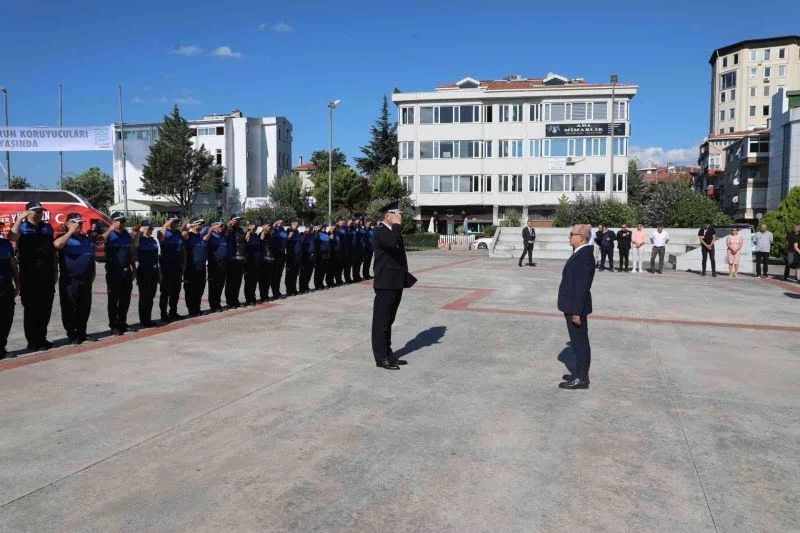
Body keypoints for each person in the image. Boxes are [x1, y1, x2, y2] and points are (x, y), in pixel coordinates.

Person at [7, 201, 57, 351]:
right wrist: (20, 218)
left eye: (40, 211)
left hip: (47, 273)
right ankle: (33, 341)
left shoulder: (47, 227)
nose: (39, 213)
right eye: (35, 211)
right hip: (30, 274)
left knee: (45, 307)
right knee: (31, 308)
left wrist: (55, 270)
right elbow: (12, 237)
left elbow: (52, 251)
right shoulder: (22, 227)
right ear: (28, 212)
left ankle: (42, 338)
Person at [371, 202, 413, 370]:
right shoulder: (380, 231)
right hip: (385, 283)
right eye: (395, 213)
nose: (399, 216)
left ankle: (388, 354)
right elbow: (391, 243)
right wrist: (396, 225)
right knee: (381, 321)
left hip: (395, 281)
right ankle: (381, 358)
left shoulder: (392, 231)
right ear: (386, 216)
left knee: (389, 320)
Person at [557, 224, 596, 390]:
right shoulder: (580, 253)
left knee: (580, 344)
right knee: (577, 342)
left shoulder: (584, 256)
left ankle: (582, 379)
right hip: (573, 305)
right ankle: (579, 373)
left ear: (581, 237)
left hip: (576, 308)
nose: (569, 236)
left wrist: (576, 312)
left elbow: (582, 287)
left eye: (571, 233)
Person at [54, 213, 96, 344]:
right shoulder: (63, 238)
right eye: (75, 222)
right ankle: (72, 334)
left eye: (81, 222)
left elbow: (91, 258)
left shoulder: (85, 239)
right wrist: (70, 231)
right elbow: (57, 245)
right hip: (70, 280)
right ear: (67, 223)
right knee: (69, 307)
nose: (79, 225)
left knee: (84, 307)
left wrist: (93, 273)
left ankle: (82, 333)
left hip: (86, 279)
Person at [102, 212, 135, 335]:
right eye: (119, 221)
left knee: (125, 299)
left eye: (123, 221)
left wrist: (134, 270)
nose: (121, 223)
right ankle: (113, 325)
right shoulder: (109, 234)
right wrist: (110, 229)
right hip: (113, 272)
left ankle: (122, 323)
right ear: (113, 221)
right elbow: (100, 241)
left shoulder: (126, 234)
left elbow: (130, 253)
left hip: (126, 271)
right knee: (113, 299)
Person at [133, 219, 160, 327]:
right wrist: (139, 232)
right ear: (143, 228)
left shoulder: (153, 240)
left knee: (151, 296)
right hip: (144, 271)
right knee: (144, 296)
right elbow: (135, 244)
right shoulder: (140, 240)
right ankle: (143, 320)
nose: (151, 230)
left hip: (154, 270)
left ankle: (148, 318)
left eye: (152, 228)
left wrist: (159, 273)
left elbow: (156, 258)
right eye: (149, 228)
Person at [182, 219, 211, 316]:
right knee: (190, 290)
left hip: (201, 268)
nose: (200, 227)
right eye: (198, 224)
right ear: (193, 225)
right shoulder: (188, 236)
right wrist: (187, 224)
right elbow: (183, 232)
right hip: (191, 268)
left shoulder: (200, 237)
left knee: (200, 289)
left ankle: (197, 308)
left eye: (201, 225)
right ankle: (192, 310)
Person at [158, 217, 185, 321]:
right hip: (166, 267)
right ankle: (163, 314)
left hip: (177, 266)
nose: (176, 223)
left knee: (176, 291)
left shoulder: (178, 233)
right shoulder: (163, 232)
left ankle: (173, 312)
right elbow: (161, 238)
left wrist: (183, 263)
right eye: (174, 222)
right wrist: (165, 225)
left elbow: (182, 249)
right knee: (165, 292)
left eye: (177, 222)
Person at [0, 234, 20, 359]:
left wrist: (17, 284)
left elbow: (13, 265)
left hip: (6, 286)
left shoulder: (5, 243)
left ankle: (1, 349)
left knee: (6, 318)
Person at [206, 221, 228, 312]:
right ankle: (213, 305)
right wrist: (212, 229)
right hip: (214, 264)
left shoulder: (223, 236)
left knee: (220, 284)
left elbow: (227, 228)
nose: (221, 227)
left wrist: (224, 226)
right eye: (220, 226)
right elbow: (205, 238)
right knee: (213, 285)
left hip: (223, 263)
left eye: (222, 226)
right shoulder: (211, 235)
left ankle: (217, 303)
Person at [225, 214, 246, 308]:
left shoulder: (240, 230)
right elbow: (224, 233)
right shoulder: (228, 230)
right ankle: (230, 301)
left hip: (240, 259)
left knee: (238, 281)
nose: (238, 222)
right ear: (230, 220)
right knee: (230, 281)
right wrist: (228, 225)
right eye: (236, 220)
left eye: (239, 220)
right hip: (231, 260)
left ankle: (235, 299)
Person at [243, 221, 261, 305]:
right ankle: (248, 299)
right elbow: (245, 242)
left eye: (257, 226)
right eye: (254, 225)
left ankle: (252, 297)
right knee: (248, 281)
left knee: (254, 281)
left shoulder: (256, 236)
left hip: (256, 261)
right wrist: (249, 231)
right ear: (249, 226)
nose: (256, 227)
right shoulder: (247, 234)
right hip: (249, 262)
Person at [268, 218, 287, 299]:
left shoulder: (283, 230)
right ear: (278, 220)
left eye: (283, 221)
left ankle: (277, 291)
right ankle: (275, 292)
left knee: (279, 274)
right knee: (275, 274)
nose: (283, 222)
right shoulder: (275, 229)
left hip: (282, 254)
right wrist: (274, 225)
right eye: (281, 220)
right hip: (276, 254)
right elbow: (269, 232)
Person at [284, 219, 302, 295]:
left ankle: (293, 289)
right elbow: (287, 239)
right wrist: (292, 230)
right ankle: (289, 290)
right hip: (291, 255)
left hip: (297, 255)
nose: (298, 224)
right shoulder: (288, 230)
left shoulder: (297, 231)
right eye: (297, 222)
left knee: (295, 273)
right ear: (292, 223)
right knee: (289, 273)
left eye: (299, 223)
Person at [298, 224, 315, 294]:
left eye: (311, 229)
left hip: (311, 256)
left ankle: (306, 286)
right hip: (304, 256)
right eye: (309, 228)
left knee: (309, 272)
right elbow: (301, 241)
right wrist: (306, 233)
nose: (310, 230)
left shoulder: (312, 236)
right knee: (303, 273)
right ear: (306, 228)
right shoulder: (302, 234)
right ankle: (301, 288)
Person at [315, 223, 331, 290]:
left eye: (325, 227)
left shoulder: (326, 234)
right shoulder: (317, 234)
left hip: (326, 254)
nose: (325, 228)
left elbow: (328, 244)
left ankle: (321, 284)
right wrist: (316, 230)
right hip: (320, 254)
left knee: (323, 270)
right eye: (323, 227)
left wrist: (329, 253)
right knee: (318, 270)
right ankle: (317, 285)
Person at [351, 218, 364, 282]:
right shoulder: (352, 228)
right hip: (355, 248)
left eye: (359, 221)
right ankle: (355, 277)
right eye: (357, 221)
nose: (359, 222)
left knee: (359, 263)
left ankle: (357, 275)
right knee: (355, 264)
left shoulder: (360, 228)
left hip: (360, 248)